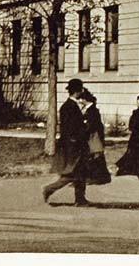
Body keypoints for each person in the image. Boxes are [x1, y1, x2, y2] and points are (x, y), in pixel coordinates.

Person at [43, 78, 90, 206]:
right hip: (73, 146)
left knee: (81, 172)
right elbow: (70, 128)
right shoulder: (70, 107)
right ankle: (48, 189)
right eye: (81, 89)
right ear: (78, 91)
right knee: (72, 173)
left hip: (73, 144)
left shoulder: (69, 106)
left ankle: (80, 199)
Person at [116, 92, 139, 177]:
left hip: (138, 137)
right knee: (136, 153)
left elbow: (132, 125)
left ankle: (133, 169)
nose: (138, 103)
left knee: (135, 153)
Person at [79, 89, 111, 186]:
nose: (80, 101)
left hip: (93, 136)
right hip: (92, 135)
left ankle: (97, 177)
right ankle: (98, 177)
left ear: (85, 99)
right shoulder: (89, 109)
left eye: (81, 99)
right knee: (94, 156)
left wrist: (84, 128)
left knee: (95, 156)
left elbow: (92, 125)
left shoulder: (92, 110)